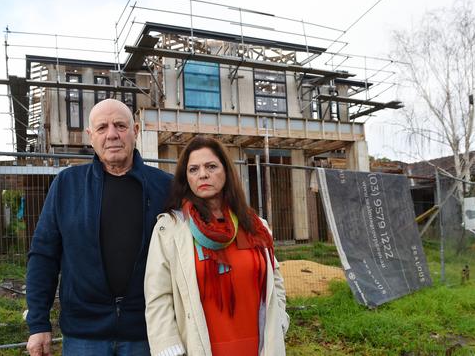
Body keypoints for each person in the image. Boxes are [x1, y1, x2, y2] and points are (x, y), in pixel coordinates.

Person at [25, 99, 172, 356]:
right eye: (102, 127)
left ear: (135, 130)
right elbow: (43, 255)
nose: (112, 134)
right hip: (84, 335)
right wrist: (38, 323)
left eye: (120, 125)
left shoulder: (165, 187)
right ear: (90, 136)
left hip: (147, 333)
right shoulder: (67, 185)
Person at [144, 136, 289, 356]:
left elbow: (274, 276)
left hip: (259, 347)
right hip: (201, 347)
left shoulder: (255, 226)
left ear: (226, 171)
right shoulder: (171, 229)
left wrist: (280, 319)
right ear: (187, 178)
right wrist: (168, 347)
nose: (203, 174)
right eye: (193, 169)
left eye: (211, 166)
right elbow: (158, 295)